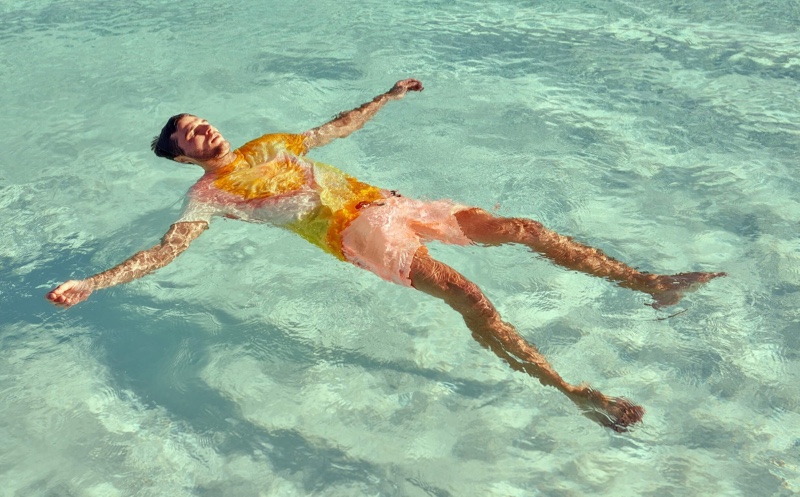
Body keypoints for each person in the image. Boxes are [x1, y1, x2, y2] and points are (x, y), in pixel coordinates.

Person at [47, 79, 724, 431]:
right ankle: (575, 392)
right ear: (182, 157)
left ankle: (651, 283)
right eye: (188, 135)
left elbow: (335, 127)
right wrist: (95, 282)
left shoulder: (269, 144)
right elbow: (167, 249)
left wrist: (388, 97)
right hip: (362, 236)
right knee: (475, 300)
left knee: (523, 226)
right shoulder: (209, 196)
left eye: (199, 120)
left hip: (395, 201)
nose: (201, 130)